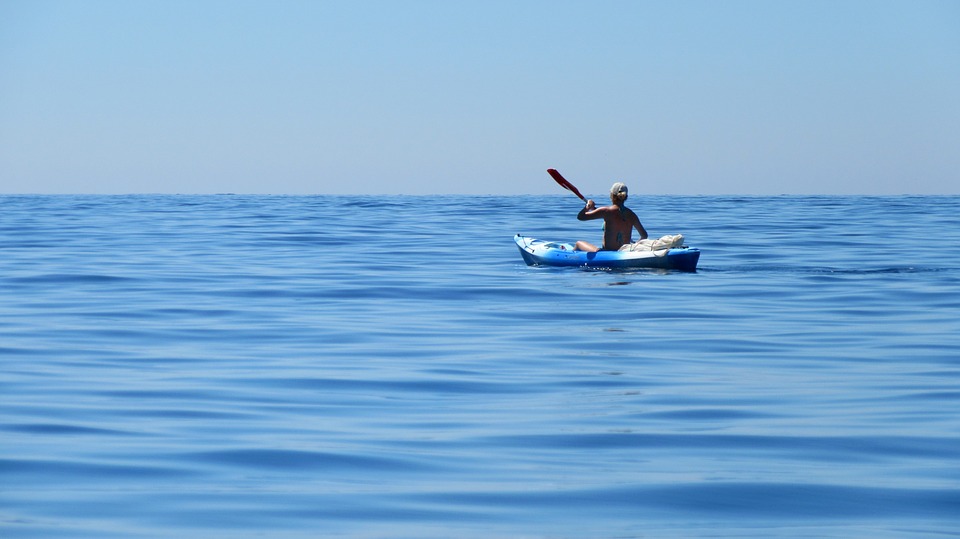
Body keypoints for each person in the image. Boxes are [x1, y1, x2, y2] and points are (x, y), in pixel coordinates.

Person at [574, 182, 648, 252]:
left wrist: (588, 206)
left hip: (606, 253)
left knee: (578, 243)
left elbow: (581, 217)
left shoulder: (606, 211)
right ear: (626, 197)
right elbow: (644, 235)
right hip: (624, 251)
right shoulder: (632, 215)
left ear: (612, 195)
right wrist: (634, 246)